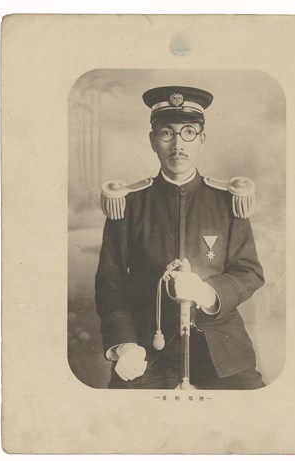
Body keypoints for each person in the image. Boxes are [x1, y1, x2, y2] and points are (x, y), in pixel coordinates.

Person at [95, 86, 265, 390]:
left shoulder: (228, 201)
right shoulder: (128, 204)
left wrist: (208, 292)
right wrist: (124, 345)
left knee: (257, 411)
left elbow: (249, 272)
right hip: (149, 347)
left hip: (220, 347)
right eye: (166, 133)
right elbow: (111, 284)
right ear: (153, 141)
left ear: (202, 140)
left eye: (188, 133)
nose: (178, 145)